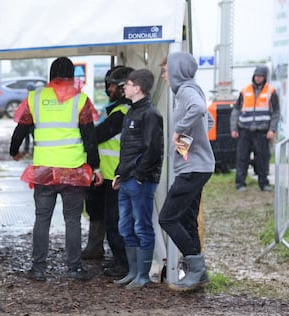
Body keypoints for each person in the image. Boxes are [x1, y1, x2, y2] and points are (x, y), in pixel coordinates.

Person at [9, 56, 101, 281]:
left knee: (42, 218)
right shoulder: (81, 100)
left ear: (51, 74)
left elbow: (20, 129)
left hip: (44, 170)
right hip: (73, 169)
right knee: (72, 219)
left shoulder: (35, 98)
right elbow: (90, 137)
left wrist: (14, 151)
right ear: (72, 75)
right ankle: (74, 268)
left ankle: (38, 268)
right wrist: (95, 167)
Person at [158, 51, 216, 291]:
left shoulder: (186, 91)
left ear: (176, 70)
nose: (164, 76)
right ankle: (197, 274)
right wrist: (191, 138)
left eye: (166, 71)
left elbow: (200, 108)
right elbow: (209, 121)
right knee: (187, 219)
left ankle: (196, 266)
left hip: (193, 169)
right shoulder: (190, 90)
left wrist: (179, 130)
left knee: (167, 218)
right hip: (196, 166)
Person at [113, 69, 164, 289]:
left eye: (127, 83)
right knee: (125, 226)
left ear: (138, 88)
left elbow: (153, 149)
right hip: (126, 179)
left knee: (142, 226)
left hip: (140, 180)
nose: (123, 87)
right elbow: (127, 148)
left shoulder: (151, 114)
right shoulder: (131, 112)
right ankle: (133, 272)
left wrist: (140, 175)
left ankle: (142, 275)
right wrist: (119, 172)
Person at [89, 66, 133, 277]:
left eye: (113, 85)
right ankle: (119, 261)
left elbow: (98, 135)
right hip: (110, 175)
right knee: (112, 219)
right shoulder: (117, 111)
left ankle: (123, 264)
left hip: (116, 176)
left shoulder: (121, 114)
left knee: (116, 222)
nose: (109, 89)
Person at [230, 65, 280, 192]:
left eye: (261, 76)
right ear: (253, 76)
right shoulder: (244, 90)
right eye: (257, 76)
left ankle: (264, 183)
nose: (258, 78)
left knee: (262, 158)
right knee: (242, 157)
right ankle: (240, 183)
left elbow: (276, 113)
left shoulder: (271, 91)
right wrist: (233, 128)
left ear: (265, 77)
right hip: (244, 130)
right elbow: (236, 111)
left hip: (262, 131)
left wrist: (272, 130)